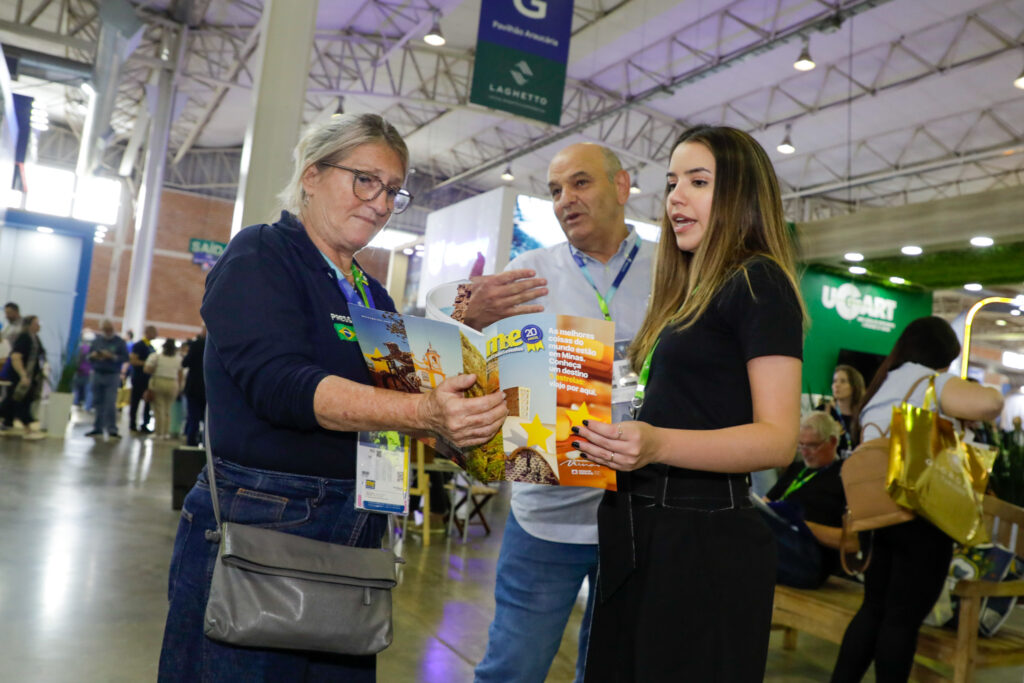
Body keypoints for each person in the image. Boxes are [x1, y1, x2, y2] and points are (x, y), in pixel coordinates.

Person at [157, 113, 506, 682]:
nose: (380, 201)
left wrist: (491, 430)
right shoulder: (260, 256)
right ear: (312, 175)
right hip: (265, 519)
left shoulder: (373, 294)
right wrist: (424, 411)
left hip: (357, 524)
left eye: (393, 190)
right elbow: (282, 385)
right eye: (364, 179)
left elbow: (404, 404)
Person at [572, 125, 805, 681]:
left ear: (741, 195)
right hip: (645, 526)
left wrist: (655, 444)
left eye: (698, 182)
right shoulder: (687, 291)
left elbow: (777, 439)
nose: (676, 196)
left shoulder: (759, 283)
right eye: (673, 182)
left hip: (702, 540)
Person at [466, 143, 656, 683]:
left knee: (611, 669)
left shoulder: (671, 273)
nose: (564, 200)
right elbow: (480, 366)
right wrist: (470, 317)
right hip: (545, 515)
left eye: (580, 183)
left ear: (621, 187)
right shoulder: (529, 273)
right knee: (513, 668)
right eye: (554, 190)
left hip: (637, 514)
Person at [830, 316, 1003, 683]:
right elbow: (990, 404)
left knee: (874, 609)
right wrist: (960, 390)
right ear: (943, 355)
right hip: (921, 514)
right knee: (902, 620)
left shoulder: (884, 385)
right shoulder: (930, 381)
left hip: (878, 515)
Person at [761, 411, 846, 589]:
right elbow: (766, 502)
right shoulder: (798, 468)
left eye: (812, 446)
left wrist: (801, 525)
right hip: (779, 543)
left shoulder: (844, 476)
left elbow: (852, 541)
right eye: (801, 445)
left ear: (832, 442)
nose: (805, 452)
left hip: (811, 556)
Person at [0, 314, 47, 440]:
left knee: (11, 402)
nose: (39, 326)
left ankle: (7, 422)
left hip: (31, 377)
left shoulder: (35, 339)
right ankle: (28, 429)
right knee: (20, 401)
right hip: (21, 377)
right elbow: (16, 357)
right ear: (30, 325)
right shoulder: (24, 338)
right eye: (36, 323)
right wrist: (23, 375)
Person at [85, 319, 129, 438]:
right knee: (98, 402)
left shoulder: (119, 342)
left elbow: (125, 358)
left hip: (112, 375)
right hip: (98, 373)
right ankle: (97, 427)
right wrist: (94, 356)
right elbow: (88, 356)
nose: (108, 332)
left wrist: (112, 356)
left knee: (110, 403)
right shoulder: (97, 341)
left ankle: (112, 428)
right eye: (105, 330)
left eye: (109, 329)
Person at [818, 364, 865, 457]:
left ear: (854, 386)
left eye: (843, 381)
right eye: (834, 381)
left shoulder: (863, 416)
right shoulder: (822, 412)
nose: (836, 385)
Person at [145, 338, 182, 439]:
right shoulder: (178, 359)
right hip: (173, 383)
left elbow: (147, 369)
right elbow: (180, 373)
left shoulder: (157, 357)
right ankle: (166, 433)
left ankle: (158, 433)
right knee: (168, 409)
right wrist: (180, 387)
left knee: (158, 409)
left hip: (159, 382)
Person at [128, 324, 157, 434]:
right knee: (135, 402)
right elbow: (133, 361)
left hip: (148, 380)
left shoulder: (152, 347)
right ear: (148, 332)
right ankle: (132, 424)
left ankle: (145, 424)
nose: (156, 335)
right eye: (154, 332)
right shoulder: (139, 345)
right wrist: (146, 364)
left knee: (147, 403)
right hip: (138, 378)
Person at [180, 325, 206, 446]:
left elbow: (185, 363)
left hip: (194, 387)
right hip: (209, 389)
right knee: (208, 420)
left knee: (193, 418)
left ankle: (191, 444)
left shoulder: (196, 344)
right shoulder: (218, 345)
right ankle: (207, 445)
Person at [72, 334, 93, 410]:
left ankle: (75, 403)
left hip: (79, 371)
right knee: (89, 390)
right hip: (89, 372)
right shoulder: (93, 349)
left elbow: (77, 359)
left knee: (75, 388)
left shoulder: (81, 348)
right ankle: (87, 406)